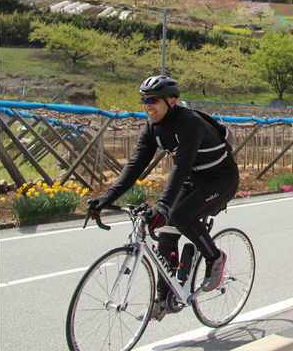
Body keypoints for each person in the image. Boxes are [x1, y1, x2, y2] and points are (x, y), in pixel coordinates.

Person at [87, 76, 240, 321]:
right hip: (194, 178)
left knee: (179, 216)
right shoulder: (151, 128)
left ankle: (214, 257)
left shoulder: (189, 123)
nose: (147, 105)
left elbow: (180, 166)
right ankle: (163, 299)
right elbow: (135, 165)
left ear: (171, 100)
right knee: (167, 231)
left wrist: (163, 205)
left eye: (153, 100)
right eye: (144, 100)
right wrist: (107, 197)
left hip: (221, 178)